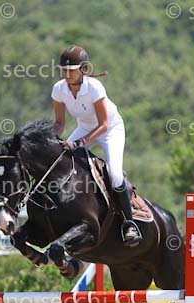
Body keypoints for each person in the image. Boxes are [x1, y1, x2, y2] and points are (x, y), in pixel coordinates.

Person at [51, 45, 142, 247]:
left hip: (110, 129)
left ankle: (129, 223)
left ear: (83, 69)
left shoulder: (94, 87)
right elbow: (59, 124)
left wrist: (79, 143)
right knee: (59, 160)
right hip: (84, 128)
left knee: (115, 175)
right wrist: (50, 138)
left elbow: (104, 125)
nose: (66, 74)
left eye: (71, 70)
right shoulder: (59, 89)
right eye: (64, 70)